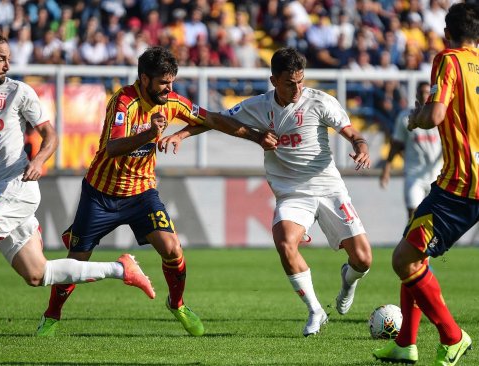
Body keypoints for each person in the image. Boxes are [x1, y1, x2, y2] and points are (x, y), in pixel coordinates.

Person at [0, 31, 156, 348]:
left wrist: (40, 160)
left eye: (8, 58)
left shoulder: (19, 92)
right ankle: (122, 269)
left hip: (17, 186)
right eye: (0, 59)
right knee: (37, 274)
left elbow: (50, 136)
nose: (8, 64)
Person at [36, 46, 264, 337]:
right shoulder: (123, 102)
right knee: (76, 261)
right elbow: (113, 148)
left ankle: (177, 304)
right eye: (163, 82)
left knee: (172, 249)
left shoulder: (171, 101)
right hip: (101, 194)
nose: (169, 88)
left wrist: (257, 137)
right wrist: (150, 133)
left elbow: (214, 120)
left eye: (172, 82)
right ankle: (52, 315)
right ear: (144, 78)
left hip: (142, 193)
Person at [159, 47, 373, 337]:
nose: (297, 88)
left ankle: (348, 281)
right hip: (292, 193)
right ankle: (315, 311)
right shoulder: (259, 106)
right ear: (274, 81)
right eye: (290, 83)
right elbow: (217, 119)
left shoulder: (321, 101)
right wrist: (182, 133)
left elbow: (352, 133)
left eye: (301, 81)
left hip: (329, 187)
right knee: (285, 241)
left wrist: (360, 146)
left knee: (363, 259)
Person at [372, 3, 477, 364]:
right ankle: (405, 342)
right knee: (412, 247)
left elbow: (434, 115)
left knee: (404, 259)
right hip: (465, 182)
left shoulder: (448, 59)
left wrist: (416, 117)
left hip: (462, 184)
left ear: (447, 33)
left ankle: (453, 336)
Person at [380, 82, 442, 219]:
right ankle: (413, 240)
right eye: (422, 93)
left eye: (428, 93)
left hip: (437, 177)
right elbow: (396, 145)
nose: (425, 96)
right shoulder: (404, 117)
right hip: (414, 176)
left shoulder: (440, 117)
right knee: (414, 216)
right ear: (416, 95)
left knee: (435, 219)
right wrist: (386, 169)